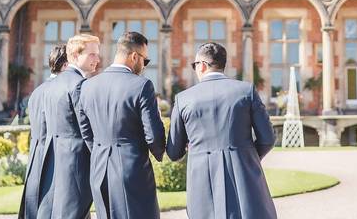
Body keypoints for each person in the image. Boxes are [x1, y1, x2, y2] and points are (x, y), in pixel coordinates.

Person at [168, 42, 277, 219]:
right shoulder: (245, 90)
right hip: (244, 175)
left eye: (194, 65)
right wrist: (246, 156)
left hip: (202, 181)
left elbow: (174, 152)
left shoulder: (183, 99)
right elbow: (267, 138)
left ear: (202, 65)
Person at [78, 32, 165, 219]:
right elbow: (153, 136)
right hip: (131, 170)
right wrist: (161, 151)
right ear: (134, 56)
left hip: (99, 170)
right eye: (145, 60)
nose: (144, 66)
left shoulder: (87, 86)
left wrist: (102, 151)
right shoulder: (142, 86)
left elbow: (86, 131)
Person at [42, 34, 100, 219]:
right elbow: (87, 131)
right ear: (74, 56)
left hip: (53, 161)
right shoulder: (79, 85)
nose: (97, 59)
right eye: (92, 55)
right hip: (75, 165)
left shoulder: (51, 85)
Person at [18, 45, 66, 219]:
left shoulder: (36, 92)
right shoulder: (62, 90)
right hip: (54, 159)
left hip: (36, 158)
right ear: (65, 65)